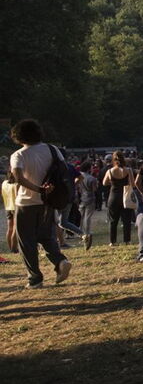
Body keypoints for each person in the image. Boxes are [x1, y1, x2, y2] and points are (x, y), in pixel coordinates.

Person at [9, 120, 72, 287]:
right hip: (48, 201)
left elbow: (18, 178)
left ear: (18, 136)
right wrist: (49, 189)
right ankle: (60, 261)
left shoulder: (19, 155)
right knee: (47, 236)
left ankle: (35, 277)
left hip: (26, 203)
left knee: (27, 241)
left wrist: (38, 189)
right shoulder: (53, 150)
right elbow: (63, 171)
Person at [102, 151, 135, 246]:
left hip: (113, 196)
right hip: (125, 196)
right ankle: (127, 240)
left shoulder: (110, 171)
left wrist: (112, 183)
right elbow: (132, 184)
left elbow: (104, 183)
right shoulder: (128, 170)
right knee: (126, 220)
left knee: (113, 220)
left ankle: (113, 241)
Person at [77, 162, 97, 250]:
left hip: (82, 197)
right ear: (89, 168)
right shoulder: (91, 178)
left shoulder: (79, 176)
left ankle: (80, 232)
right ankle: (87, 232)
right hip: (90, 197)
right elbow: (94, 189)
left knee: (81, 216)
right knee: (87, 217)